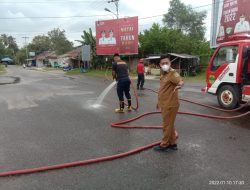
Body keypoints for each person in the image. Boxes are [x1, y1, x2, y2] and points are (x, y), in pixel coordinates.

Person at [154, 55, 184, 152]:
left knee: (166, 125)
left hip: (171, 104)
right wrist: (159, 102)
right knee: (170, 124)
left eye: (167, 63)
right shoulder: (163, 74)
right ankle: (172, 143)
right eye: (163, 63)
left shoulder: (172, 73)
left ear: (170, 63)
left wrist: (180, 85)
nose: (165, 65)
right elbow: (163, 89)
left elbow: (180, 81)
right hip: (164, 103)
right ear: (160, 64)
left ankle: (165, 144)